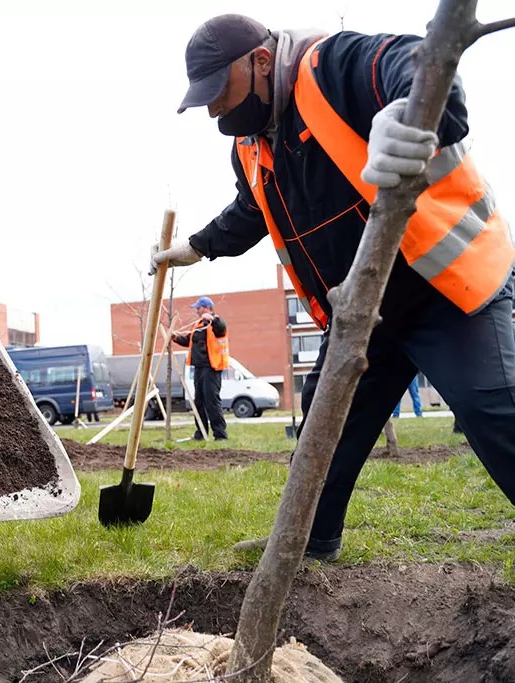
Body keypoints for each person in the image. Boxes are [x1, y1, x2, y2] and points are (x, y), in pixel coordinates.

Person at [154, 15, 515, 562]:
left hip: (445, 289)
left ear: (261, 61)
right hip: (363, 313)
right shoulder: (251, 146)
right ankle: (304, 541)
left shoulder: (331, 66)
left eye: (219, 91)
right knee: (323, 436)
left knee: (496, 414)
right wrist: (198, 246)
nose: (214, 111)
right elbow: (252, 209)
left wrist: (404, 114)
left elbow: (420, 64)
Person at [172, 296, 230, 440]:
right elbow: (188, 340)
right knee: (199, 403)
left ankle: (220, 435)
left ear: (207, 308)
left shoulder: (216, 323)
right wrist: (175, 337)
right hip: (198, 369)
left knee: (212, 401)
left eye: (199, 308)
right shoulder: (198, 325)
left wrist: (211, 318)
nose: (197, 311)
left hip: (211, 368)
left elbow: (221, 328)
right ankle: (201, 433)